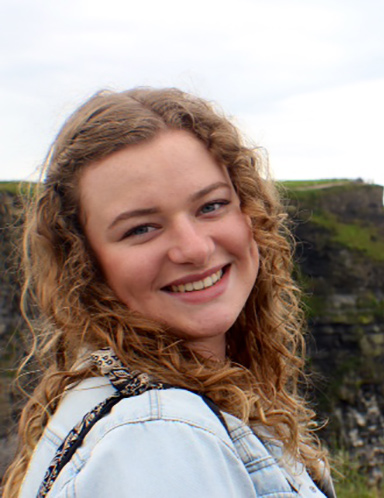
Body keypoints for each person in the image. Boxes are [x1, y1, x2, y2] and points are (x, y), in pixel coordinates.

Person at [1, 88, 334, 497]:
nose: (194, 248)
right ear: (83, 262)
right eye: (141, 228)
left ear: (248, 209)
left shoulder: (136, 400)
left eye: (211, 206)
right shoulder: (156, 438)